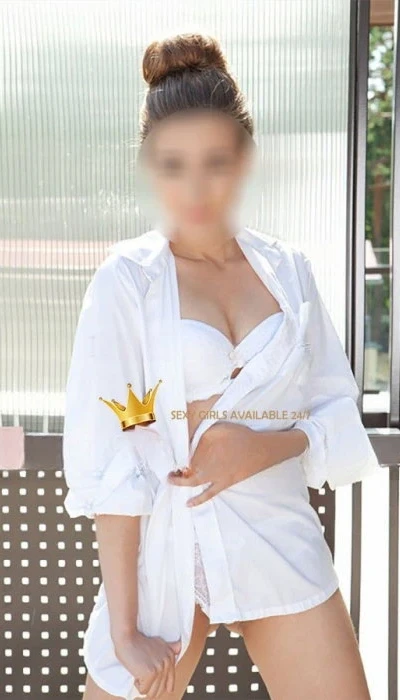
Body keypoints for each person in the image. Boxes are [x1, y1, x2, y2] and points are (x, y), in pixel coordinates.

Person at [62, 32, 381, 700]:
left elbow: (333, 409)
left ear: (244, 156)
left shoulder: (289, 271)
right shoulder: (129, 281)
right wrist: (125, 629)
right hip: (167, 554)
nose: (195, 187)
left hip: (280, 537)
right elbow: (113, 449)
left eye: (215, 161)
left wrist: (263, 447)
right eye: (173, 165)